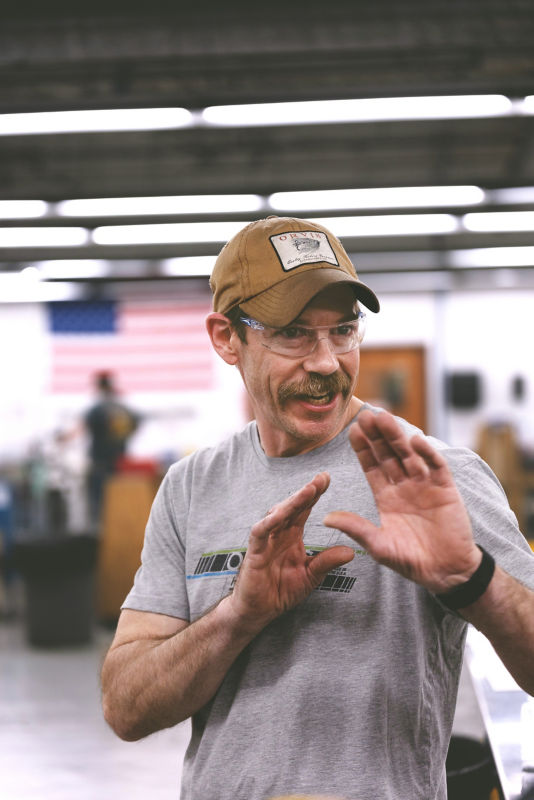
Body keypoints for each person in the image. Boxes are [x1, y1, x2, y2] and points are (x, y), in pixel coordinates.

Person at [101, 216, 534, 800]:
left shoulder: (432, 475)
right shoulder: (190, 486)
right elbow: (126, 708)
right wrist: (239, 615)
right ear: (227, 337)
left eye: (344, 331)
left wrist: (469, 578)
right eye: (294, 334)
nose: (327, 361)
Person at [85, 371, 140, 522]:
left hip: (100, 463)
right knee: (118, 503)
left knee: (101, 506)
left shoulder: (98, 409)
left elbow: (85, 426)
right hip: (120, 462)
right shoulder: (122, 408)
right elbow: (136, 423)